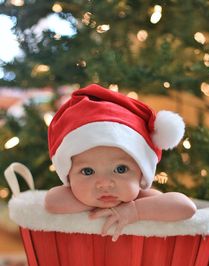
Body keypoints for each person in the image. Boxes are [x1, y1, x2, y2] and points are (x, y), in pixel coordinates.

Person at [45, 84, 196, 241]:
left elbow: (186, 207)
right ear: (69, 176)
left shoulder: (143, 199)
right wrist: (98, 203)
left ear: (141, 173)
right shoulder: (75, 196)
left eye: (121, 169)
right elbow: (52, 201)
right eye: (87, 171)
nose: (104, 184)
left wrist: (136, 211)